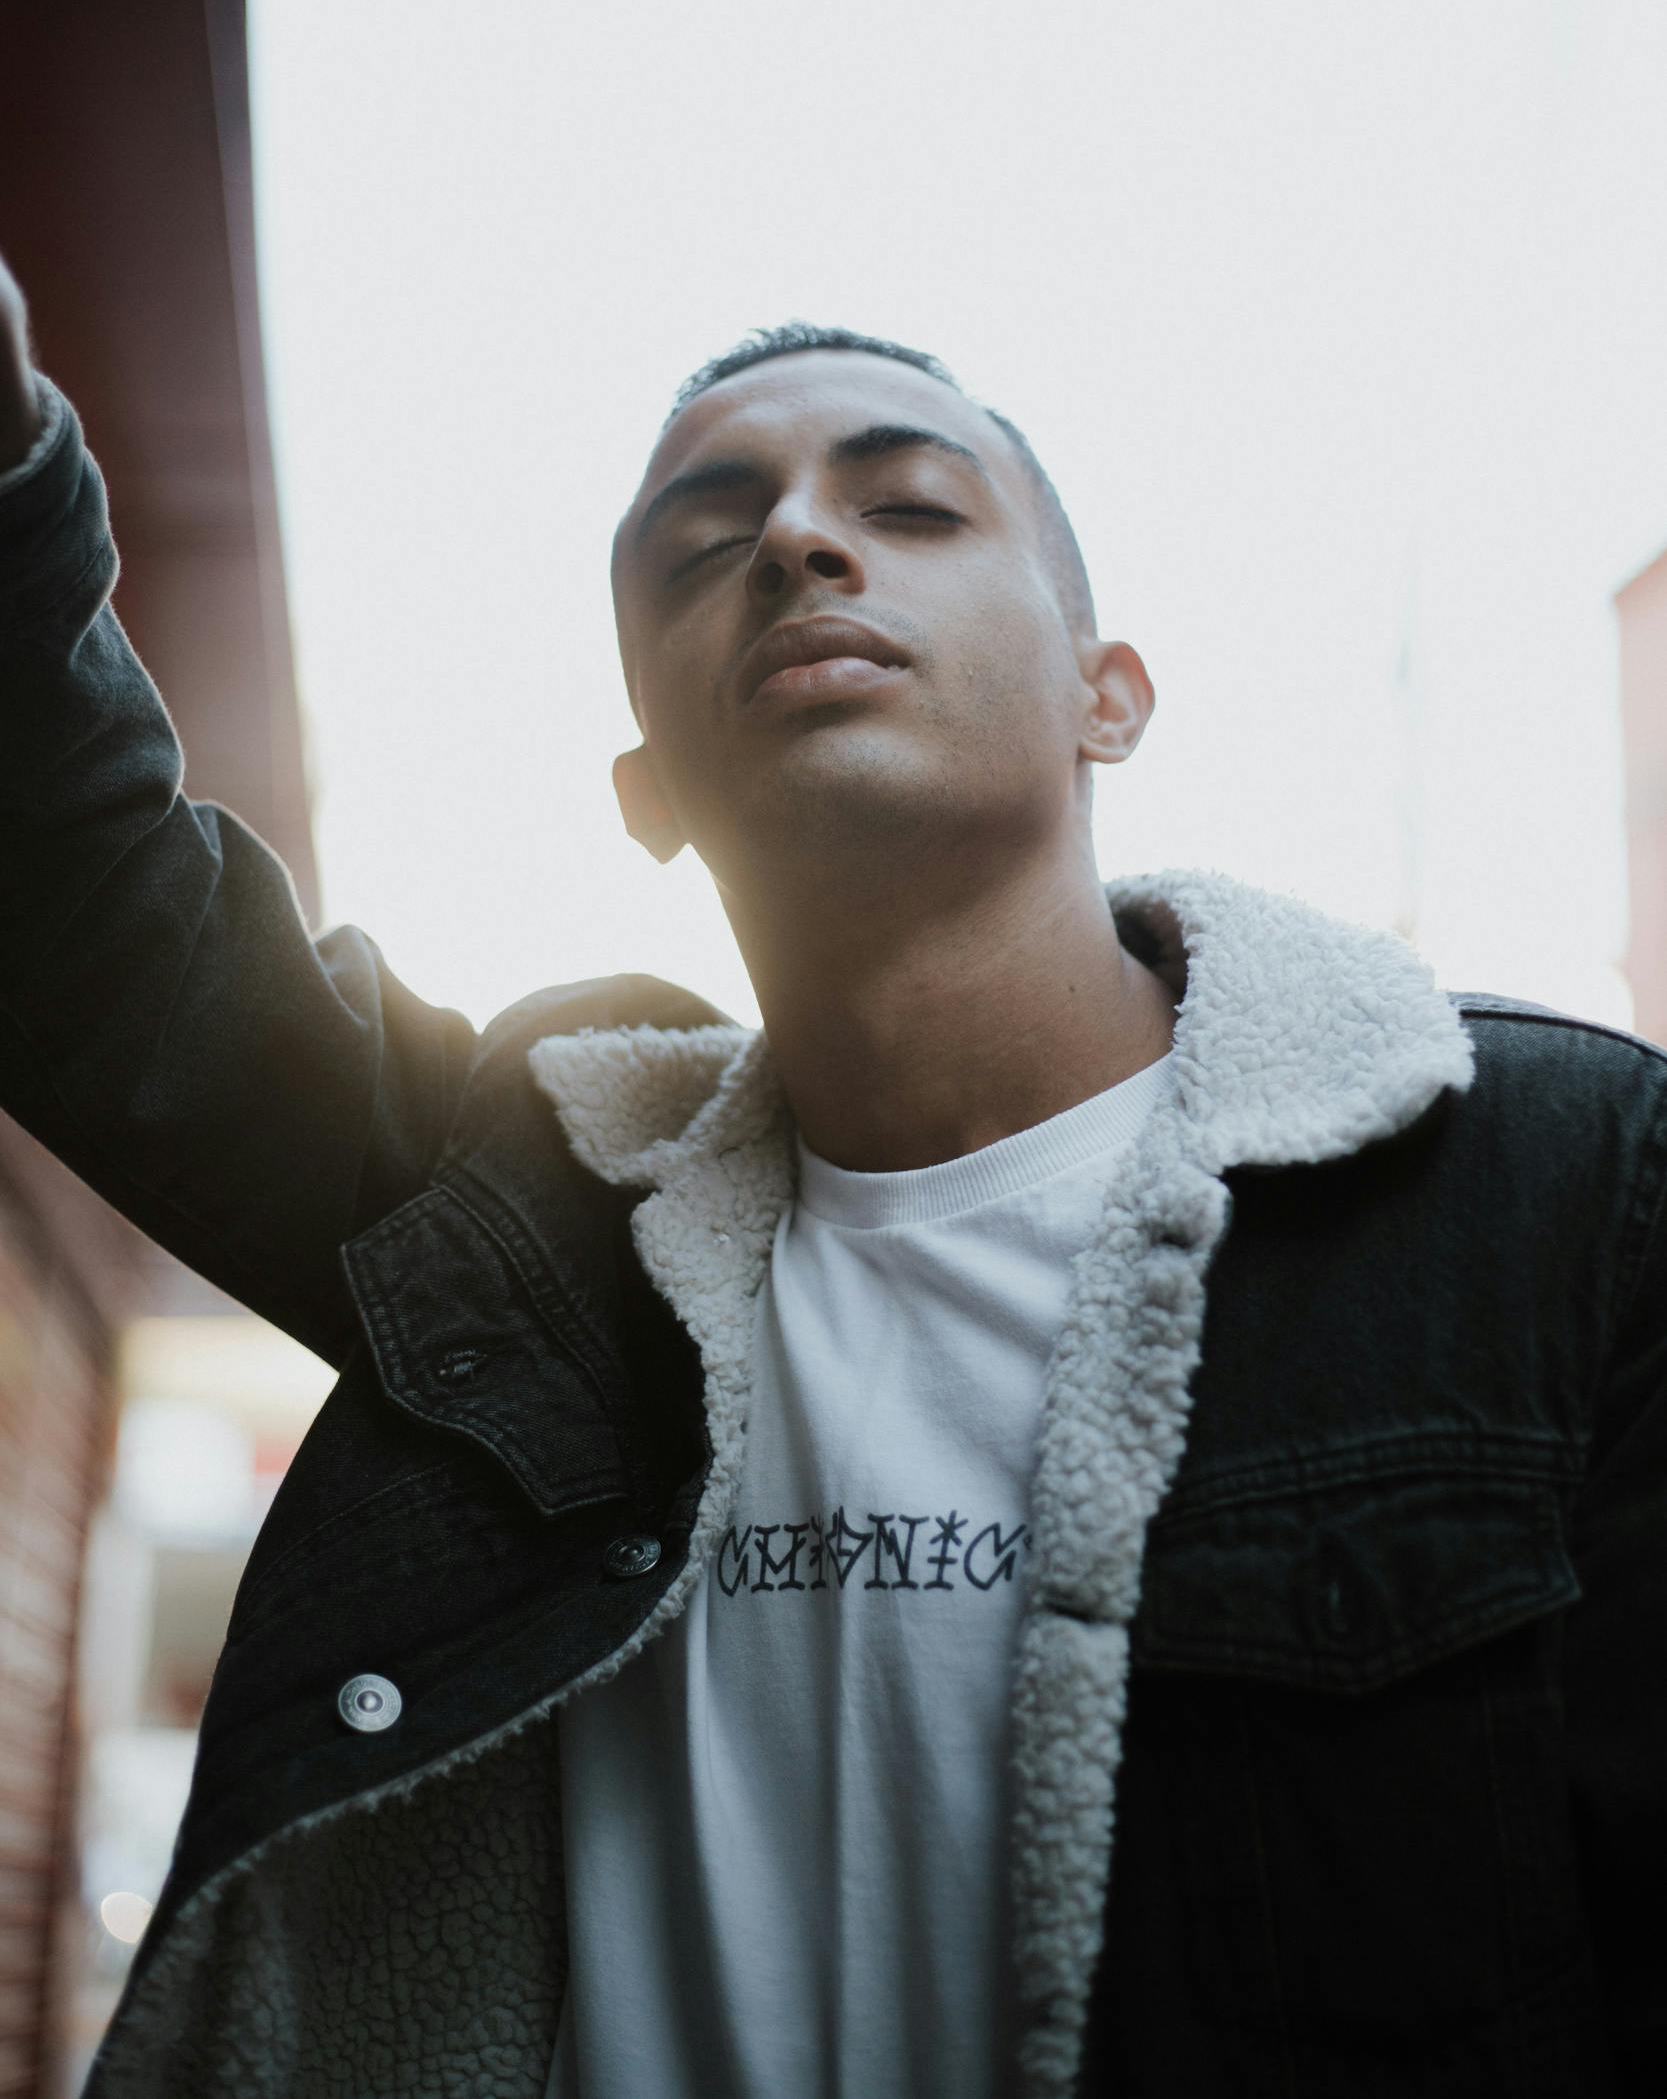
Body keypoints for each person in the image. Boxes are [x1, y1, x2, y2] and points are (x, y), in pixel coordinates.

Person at [0, 246, 1662, 2099]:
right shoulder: (534, 1222)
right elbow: (83, 906)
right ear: (648, 791)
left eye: (909, 503)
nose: (796, 540)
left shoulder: (1553, 1182)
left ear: (1107, 694)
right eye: (703, 542)